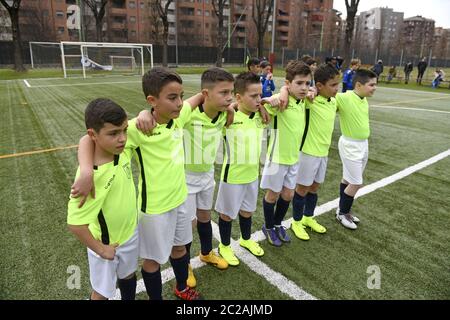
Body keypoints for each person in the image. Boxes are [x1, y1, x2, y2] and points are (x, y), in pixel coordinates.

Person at [74, 67, 204, 300]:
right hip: (154, 208)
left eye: (180, 96)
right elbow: (88, 138)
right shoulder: (137, 128)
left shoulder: (180, 114)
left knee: (181, 247)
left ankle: (182, 287)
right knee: (152, 260)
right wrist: (85, 170)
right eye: (172, 97)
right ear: (153, 101)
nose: (179, 103)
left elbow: (200, 97)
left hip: (180, 199)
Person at [67, 98, 139, 300]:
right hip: (107, 244)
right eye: (114, 133)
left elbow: (85, 140)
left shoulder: (120, 150)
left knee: (129, 275)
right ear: (94, 135)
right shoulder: (89, 180)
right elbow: (75, 224)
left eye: (124, 130)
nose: (123, 138)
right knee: (102, 292)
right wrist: (101, 249)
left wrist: (142, 115)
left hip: (130, 233)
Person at [215, 72, 271, 266]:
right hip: (233, 176)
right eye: (253, 96)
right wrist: (230, 106)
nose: (258, 99)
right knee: (227, 214)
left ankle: (246, 239)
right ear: (238, 97)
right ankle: (224, 246)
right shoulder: (228, 116)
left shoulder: (259, 115)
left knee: (247, 211)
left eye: (260, 95)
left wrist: (263, 104)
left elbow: (279, 98)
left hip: (252, 175)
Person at [260, 61, 312, 246]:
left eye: (307, 83)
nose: (304, 88)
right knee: (273, 194)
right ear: (288, 83)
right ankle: (267, 226)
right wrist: (267, 101)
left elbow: (313, 94)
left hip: (293, 158)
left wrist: (307, 92)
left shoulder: (302, 100)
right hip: (277, 158)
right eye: (299, 83)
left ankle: (277, 223)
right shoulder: (281, 100)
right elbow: (258, 107)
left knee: (288, 195)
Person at [289, 63, 340, 241]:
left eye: (337, 84)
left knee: (315, 186)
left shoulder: (334, 101)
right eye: (333, 85)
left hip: (323, 153)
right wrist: (309, 92)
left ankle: (308, 217)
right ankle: (296, 222)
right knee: (302, 188)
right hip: (307, 152)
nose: (337, 88)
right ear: (319, 86)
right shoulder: (309, 101)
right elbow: (290, 92)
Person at [335, 69, 378, 229]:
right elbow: (326, 98)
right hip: (350, 145)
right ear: (359, 85)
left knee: (347, 179)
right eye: (371, 85)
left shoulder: (363, 99)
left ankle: (343, 209)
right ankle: (342, 213)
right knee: (356, 182)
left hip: (363, 144)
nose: (375, 88)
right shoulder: (344, 97)